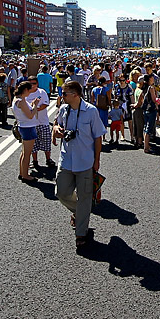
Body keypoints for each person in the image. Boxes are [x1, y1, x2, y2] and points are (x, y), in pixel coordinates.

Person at [52, 80, 104, 250]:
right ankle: (79, 212)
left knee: (85, 196)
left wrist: (97, 160)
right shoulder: (63, 109)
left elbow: (98, 137)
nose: (61, 96)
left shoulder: (90, 111)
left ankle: (81, 233)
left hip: (85, 161)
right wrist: (56, 129)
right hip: (66, 159)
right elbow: (57, 123)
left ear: (75, 94)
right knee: (61, 192)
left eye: (64, 93)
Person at [12, 82, 40, 182]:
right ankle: (25, 175)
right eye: (29, 90)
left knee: (24, 152)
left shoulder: (17, 99)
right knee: (27, 154)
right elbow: (30, 115)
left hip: (23, 126)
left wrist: (32, 105)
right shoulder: (22, 101)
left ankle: (22, 172)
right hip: (28, 127)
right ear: (25, 90)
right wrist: (35, 106)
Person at [27, 75, 54, 168]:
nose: (32, 85)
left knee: (46, 141)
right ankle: (35, 161)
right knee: (33, 144)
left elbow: (45, 104)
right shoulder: (26, 93)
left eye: (34, 83)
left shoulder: (42, 92)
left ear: (37, 83)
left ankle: (48, 159)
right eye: (30, 84)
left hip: (43, 122)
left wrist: (34, 108)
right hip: (31, 123)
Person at [141, 73, 159, 153]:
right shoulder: (151, 88)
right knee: (149, 128)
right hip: (151, 109)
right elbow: (154, 99)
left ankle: (146, 144)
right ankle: (146, 147)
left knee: (146, 127)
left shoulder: (144, 87)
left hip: (145, 108)